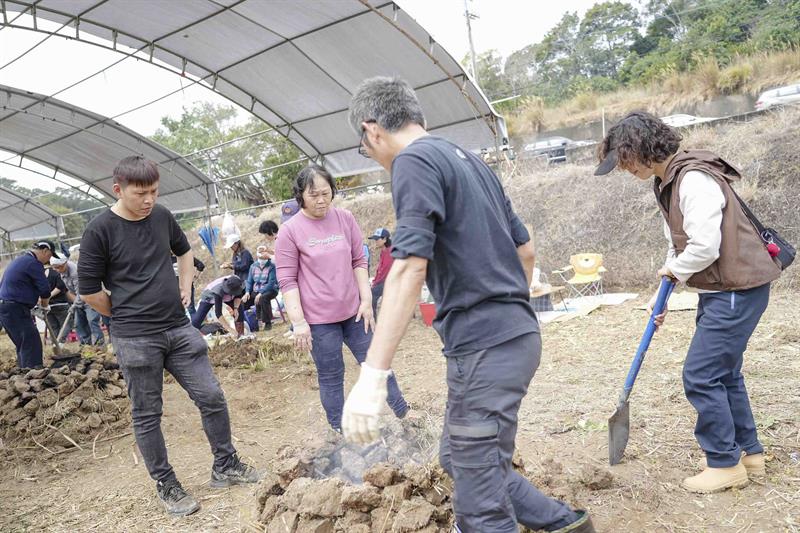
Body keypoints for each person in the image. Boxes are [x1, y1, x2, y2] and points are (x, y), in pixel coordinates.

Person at [342, 77, 593, 533]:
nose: (375, 159)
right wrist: (508, 304)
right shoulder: (468, 162)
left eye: (367, 149)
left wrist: (372, 377)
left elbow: (407, 269)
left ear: (372, 130)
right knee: (460, 458)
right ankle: (563, 524)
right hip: (509, 337)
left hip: (485, 346)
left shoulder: (412, 162)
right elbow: (527, 249)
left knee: (479, 507)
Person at [594, 111, 781, 494]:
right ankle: (748, 454)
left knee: (700, 374)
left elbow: (705, 248)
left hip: (735, 290)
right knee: (725, 374)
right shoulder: (668, 181)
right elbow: (677, 246)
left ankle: (724, 464)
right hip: (724, 290)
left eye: (624, 160)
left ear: (641, 150)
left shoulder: (693, 178)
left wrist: (674, 276)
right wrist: (662, 294)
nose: (624, 170)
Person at [78, 156, 258, 518]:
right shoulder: (100, 230)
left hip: (178, 327)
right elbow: (88, 290)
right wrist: (123, 311)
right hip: (135, 338)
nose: (148, 200)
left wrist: (185, 286)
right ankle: (166, 483)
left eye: (154, 192)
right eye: (140, 193)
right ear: (118, 189)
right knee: (147, 414)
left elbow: (185, 251)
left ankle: (225, 464)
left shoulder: (161, 216)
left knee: (211, 395)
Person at [275, 164, 410, 433]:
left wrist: (366, 301)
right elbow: (287, 280)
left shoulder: (345, 218)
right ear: (300, 195)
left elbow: (358, 261)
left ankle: (403, 412)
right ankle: (339, 429)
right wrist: (299, 322)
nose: (322, 200)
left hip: (354, 312)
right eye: (314, 195)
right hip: (318, 320)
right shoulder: (290, 231)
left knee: (377, 362)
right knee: (332, 376)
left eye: (326, 193)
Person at [0, 241, 57, 368]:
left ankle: (24, 375)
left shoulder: (20, 260)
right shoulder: (34, 263)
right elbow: (45, 290)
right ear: (45, 251)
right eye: (50, 256)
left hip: (6, 306)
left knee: (24, 342)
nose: (48, 260)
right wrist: (44, 306)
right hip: (14, 307)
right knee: (31, 342)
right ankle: (33, 376)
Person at [221, 234, 253, 336]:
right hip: (239, 279)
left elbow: (244, 266)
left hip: (247, 279)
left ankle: (249, 321)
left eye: (232, 245)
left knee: (244, 301)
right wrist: (231, 266)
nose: (231, 247)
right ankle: (244, 323)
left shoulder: (245, 253)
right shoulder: (235, 254)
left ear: (237, 243)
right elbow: (236, 267)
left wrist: (231, 265)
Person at [243, 245, 278, 331]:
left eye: (264, 258)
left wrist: (260, 292)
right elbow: (249, 281)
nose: (262, 260)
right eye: (260, 257)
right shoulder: (253, 266)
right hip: (256, 289)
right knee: (245, 300)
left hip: (270, 289)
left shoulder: (271, 266)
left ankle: (267, 322)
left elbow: (271, 283)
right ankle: (250, 323)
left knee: (263, 298)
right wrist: (247, 292)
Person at [367, 228, 394, 318]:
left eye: (377, 239)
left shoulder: (389, 252)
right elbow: (380, 270)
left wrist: (375, 283)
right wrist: (375, 280)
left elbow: (385, 271)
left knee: (371, 297)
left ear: (385, 239)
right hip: (384, 281)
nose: (376, 241)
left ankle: (374, 322)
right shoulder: (384, 251)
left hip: (389, 282)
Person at [45, 259, 71, 340]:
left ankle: (55, 344)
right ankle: (60, 343)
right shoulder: (57, 272)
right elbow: (60, 286)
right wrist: (49, 296)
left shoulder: (40, 274)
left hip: (47, 305)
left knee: (53, 327)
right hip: (60, 303)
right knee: (66, 324)